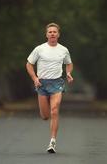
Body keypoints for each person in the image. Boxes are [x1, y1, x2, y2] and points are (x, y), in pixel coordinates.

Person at [26, 23, 73, 153]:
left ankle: (52, 142)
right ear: (46, 34)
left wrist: (68, 73)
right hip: (42, 84)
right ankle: (46, 117)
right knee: (45, 116)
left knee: (54, 111)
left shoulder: (64, 50)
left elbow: (69, 64)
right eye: (50, 32)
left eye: (54, 32)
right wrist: (35, 78)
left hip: (57, 83)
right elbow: (29, 64)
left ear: (58, 34)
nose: (52, 33)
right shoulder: (39, 49)